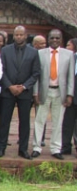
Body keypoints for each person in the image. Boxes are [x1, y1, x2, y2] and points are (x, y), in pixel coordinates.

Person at [0, 26, 40, 159]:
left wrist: (24, 87)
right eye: (16, 35)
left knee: (24, 121)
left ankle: (23, 149)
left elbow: (36, 73)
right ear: (13, 36)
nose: (19, 37)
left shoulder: (33, 52)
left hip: (24, 92)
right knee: (4, 121)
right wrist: (10, 86)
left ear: (26, 36)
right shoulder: (5, 50)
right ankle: (1, 148)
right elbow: (0, 70)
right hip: (8, 91)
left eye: (21, 34)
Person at [31, 30, 74, 160]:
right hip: (44, 91)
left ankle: (56, 148)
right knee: (39, 120)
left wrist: (69, 94)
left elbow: (70, 76)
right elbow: (36, 75)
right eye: (52, 38)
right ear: (48, 39)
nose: (55, 40)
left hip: (60, 92)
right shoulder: (40, 53)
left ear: (61, 40)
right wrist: (35, 93)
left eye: (57, 38)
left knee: (58, 121)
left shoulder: (69, 54)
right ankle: (36, 147)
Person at [62, 38, 77, 155]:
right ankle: (66, 146)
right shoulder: (68, 59)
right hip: (71, 95)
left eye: (69, 45)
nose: (67, 48)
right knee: (67, 122)